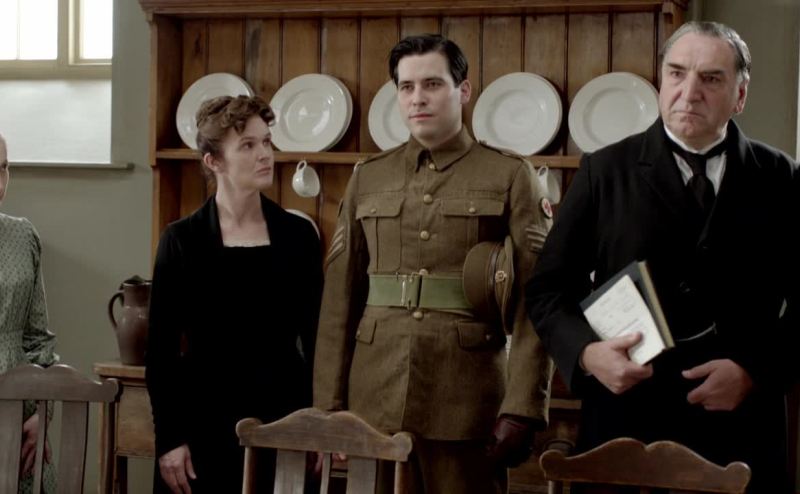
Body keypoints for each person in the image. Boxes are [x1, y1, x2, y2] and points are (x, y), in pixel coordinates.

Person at [525, 21, 799, 493]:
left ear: (740, 95)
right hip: (625, 422)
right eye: (676, 73)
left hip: (741, 432)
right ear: (661, 81)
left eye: (710, 78)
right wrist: (588, 354)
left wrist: (756, 373)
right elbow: (548, 290)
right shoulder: (603, 170)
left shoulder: (783, 177)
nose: (689, 93)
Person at [313, 34, 554, 493]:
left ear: (463, 90)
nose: (417, 98)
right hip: (373, 401)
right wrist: (328, 406)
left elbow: (536, 301)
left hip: (467, 403)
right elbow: (339, 300)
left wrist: (523, 407)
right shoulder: (369, 176)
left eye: (432, 84)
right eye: (406, 87)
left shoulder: (509, 175)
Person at [145, 96, 323, 493]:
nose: (265, 154)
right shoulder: (182, 240)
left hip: (284, 421)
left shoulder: (298, 237)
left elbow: (317, 341)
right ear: (213, 161)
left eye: (267, 142)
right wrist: (169, 439)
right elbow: (160, 352)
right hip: (203, 426)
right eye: (248, 145)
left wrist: (318, 425)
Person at [0, 133, 59, 493]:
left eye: (3, 169)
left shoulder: (22, 236)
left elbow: (38, 339)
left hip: (20, 411)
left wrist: (42, 412)